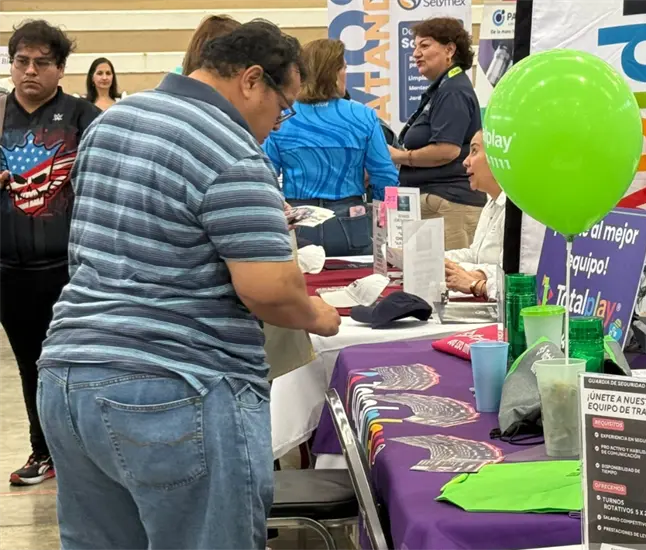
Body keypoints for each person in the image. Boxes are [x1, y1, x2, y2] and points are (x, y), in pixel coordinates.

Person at [36, 21, 341, 549]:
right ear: (251, 81)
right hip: (178, 386)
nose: (278, 123)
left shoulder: (116, 120)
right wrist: (320, 315)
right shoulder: (231, 149)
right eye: (283, 105)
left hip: (68, 379)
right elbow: (268, 290)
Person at [0, 20, 100, 486]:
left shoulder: (84, 116)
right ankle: (43, 451)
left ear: (61, 69)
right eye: (22, 61)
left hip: (72, 268)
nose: (30, 71)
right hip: (10, 269)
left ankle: (88, 452)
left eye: (42, 62)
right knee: (29, 363)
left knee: (82, 361)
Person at [263, 38, 398, 256]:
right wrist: (387, 221)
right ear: (332, 73)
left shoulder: (284, 116)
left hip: (299, 224)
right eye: (344, 67)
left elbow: (265, 177)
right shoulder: (363, 116)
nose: (346, 73)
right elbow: (386, 176)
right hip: (352, 223)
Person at [389, 17, 485, 250]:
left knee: (450, 280)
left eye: (424, 45)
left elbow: (447, 150)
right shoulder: (444, 88)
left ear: (449, 49)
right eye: (415, 47)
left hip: (451, 204)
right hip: (438, 202)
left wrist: (400, 156)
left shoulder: (453, 91)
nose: (415, 54)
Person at [444, 130, 506, 301]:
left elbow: (518, 273)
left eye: (474, 151)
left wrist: (475, 276)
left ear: (497, 158)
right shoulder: (491, 203)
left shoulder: (522, 211)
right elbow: (475, 254)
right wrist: (438, 259)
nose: (465, 161)